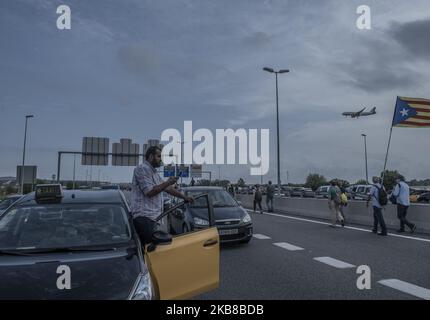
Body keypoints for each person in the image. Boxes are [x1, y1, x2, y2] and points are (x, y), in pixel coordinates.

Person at [131, 146, 194, 245]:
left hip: (152, 218)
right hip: (144, 218)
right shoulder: (142, 169)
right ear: (151, 156)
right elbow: (150, 192)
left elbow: (167, 188)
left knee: (153, 250)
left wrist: (184, 197)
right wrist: (168, 182)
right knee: (148, 249)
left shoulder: (154, 173)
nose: (161, 159)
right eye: (159, 156)